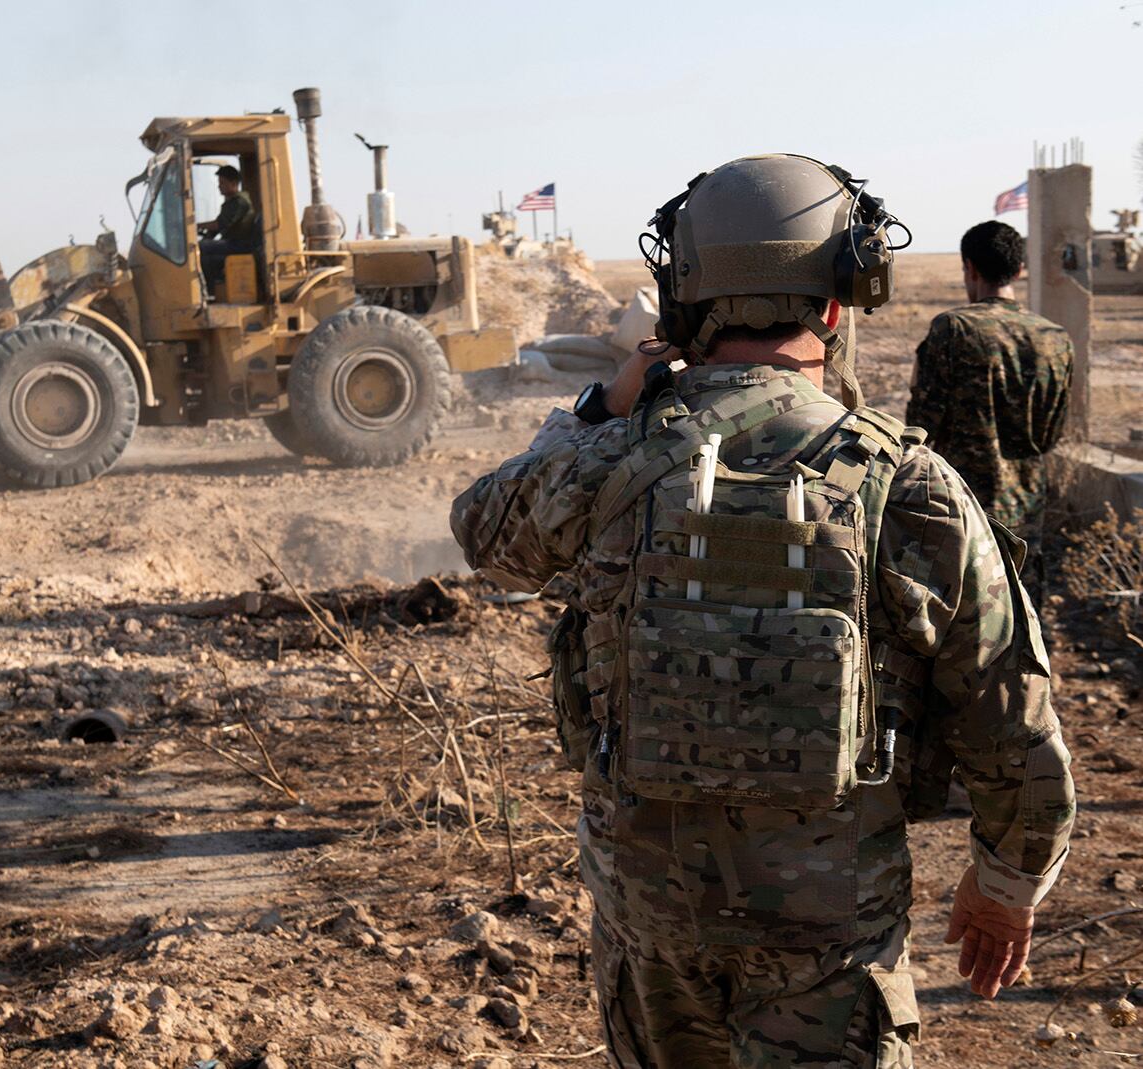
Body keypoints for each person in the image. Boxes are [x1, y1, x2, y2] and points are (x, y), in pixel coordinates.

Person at [450, 155, 1074, 1068]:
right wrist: (1007, 880)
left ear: (684, 295)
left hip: (649, 928)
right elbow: (1009, 709)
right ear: (835, 303)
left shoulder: (605, 461)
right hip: (828, 940)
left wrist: (596, 408)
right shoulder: (909, 486)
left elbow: (483, 527)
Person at [906, 220, 1073, 606]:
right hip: (1028, 508)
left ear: (970, 268)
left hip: (962, 506)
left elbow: (920, 428)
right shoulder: (1056, 338)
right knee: (1023, 616)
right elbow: (1052, 434)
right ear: (1018, 270)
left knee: (966, 620)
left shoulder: (954, 329)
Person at [198, 165, 259, 293]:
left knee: (202, 248)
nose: (219, 186)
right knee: (202, 250)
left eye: (222, 183)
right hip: (234, 243)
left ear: (234, 183)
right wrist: (207, 235)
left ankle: (209, 292)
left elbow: (219, 224)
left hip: (240, 245)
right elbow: (217, 228)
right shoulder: (231, 202)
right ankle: (211, 289)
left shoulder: (240, 202)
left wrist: (197, 226)